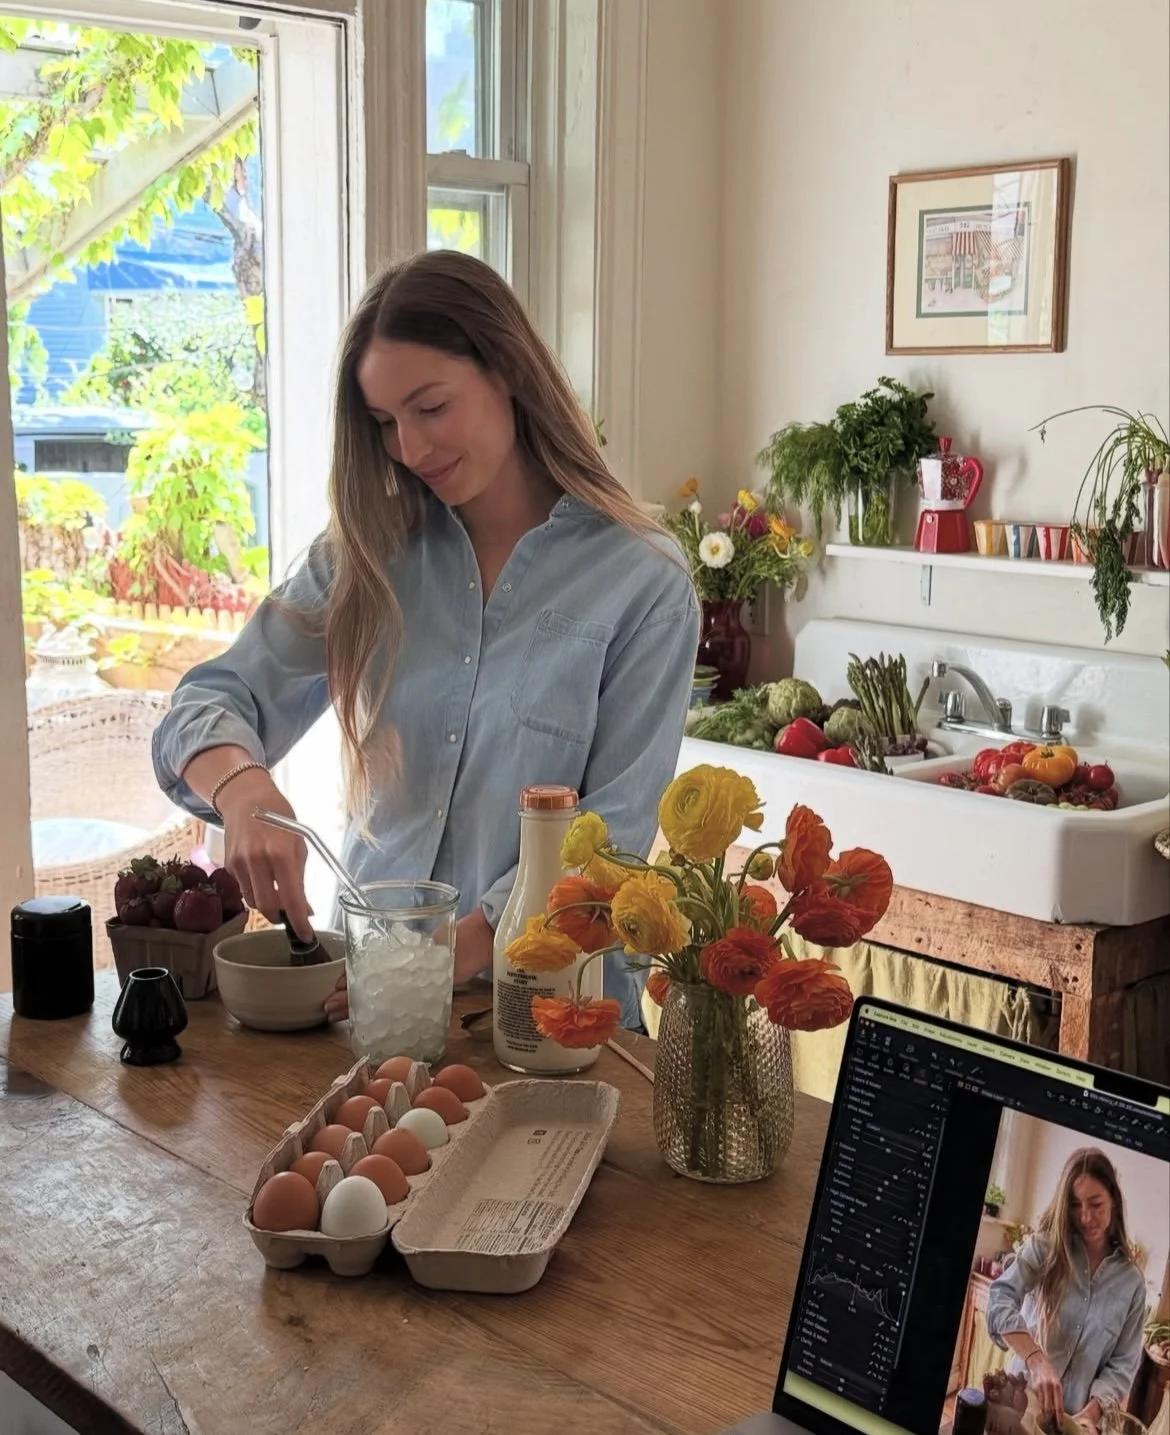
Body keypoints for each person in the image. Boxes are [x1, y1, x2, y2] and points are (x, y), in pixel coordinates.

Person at [152, 250, 699, 1027]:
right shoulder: (368, 552)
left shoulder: (642, 580)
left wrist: (451, 951)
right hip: (368, 1013)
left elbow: (610, 844)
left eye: (430, 408)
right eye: (383, 423)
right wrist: (242, 790)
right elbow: (207, 699)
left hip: (548, 1023)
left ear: (507, 371)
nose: (408, 448)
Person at [986, 1147, 1146, 1435]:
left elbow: (1122, 1365)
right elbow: (999, 1299)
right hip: (1020, 1405)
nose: (1085, 1217)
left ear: (1114, 1200)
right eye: (1075, 1204)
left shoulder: (1132, 1283)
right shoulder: (1045, 1248)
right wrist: (1036, 1358)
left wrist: (1090, 1414)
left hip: (1077, 1421)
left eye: (1095, 1204)